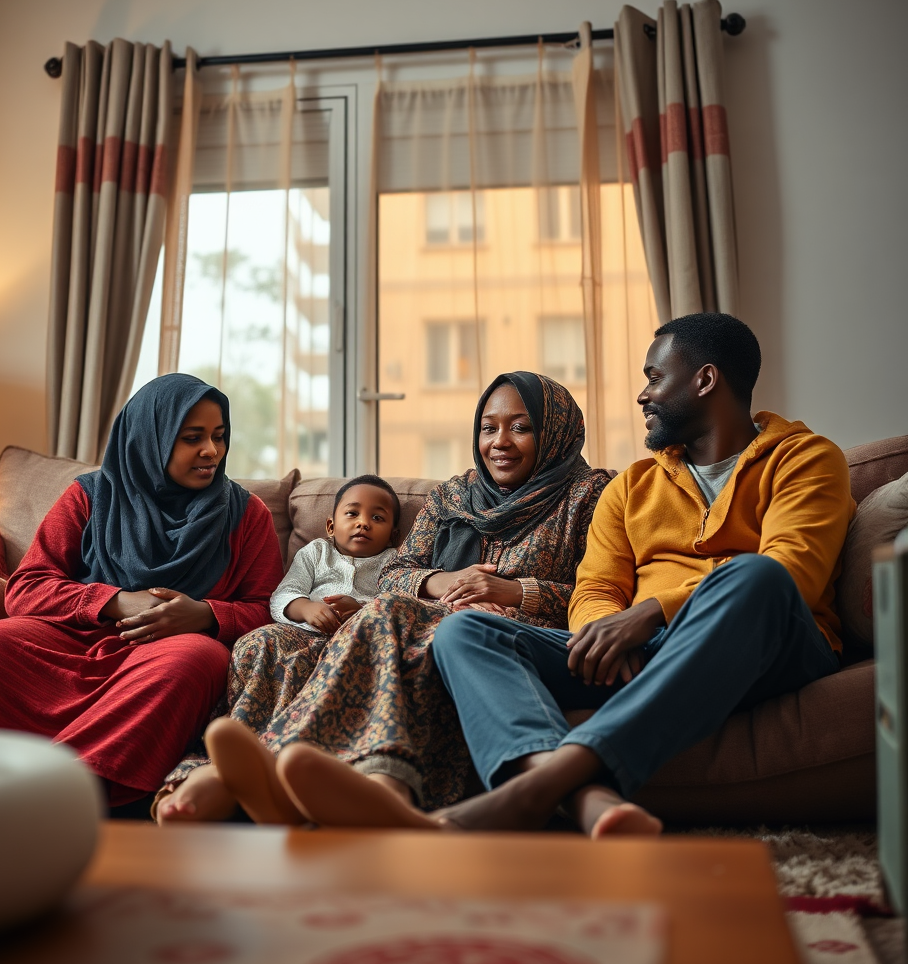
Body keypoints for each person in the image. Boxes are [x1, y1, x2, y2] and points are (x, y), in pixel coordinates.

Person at [281, 313, 855, 834]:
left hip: (771, 643)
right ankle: (587, 800)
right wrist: (606, 630)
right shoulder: (632, 487)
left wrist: (646, 614)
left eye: (655, 378)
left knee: (753, 575)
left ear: (704, 381)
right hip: (653, 647)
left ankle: (542, 785)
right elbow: (597, 587)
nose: (643, 393)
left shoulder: (804, 458)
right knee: (466, 631)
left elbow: (792, 568)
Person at [158, 371, 612, 825]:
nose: (500, 442)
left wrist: (513, 592)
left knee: (387, 614)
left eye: (522, 427)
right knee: (272, 642)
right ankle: (264, 780)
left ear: (555, 432)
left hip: (516, 634)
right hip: (434, 614)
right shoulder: (454, 495)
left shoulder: (589, 496)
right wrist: (448, 583)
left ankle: (283, 770)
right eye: (489, 427)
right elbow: (397, 572)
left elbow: (605, 592)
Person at [0, 373, 283, 808]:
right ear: (149, 438)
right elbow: (26, 588)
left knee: (196, 661)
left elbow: (270, 609)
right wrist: (114, 601)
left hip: (164, 650)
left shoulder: (247, 515)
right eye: (192, 438)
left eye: (219, 436)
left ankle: (69, 789)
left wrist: (206, 615)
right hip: (74, 637)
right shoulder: (91, 496)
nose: (212, 451)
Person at [155, 475, 401, 823]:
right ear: (331, 525)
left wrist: (360, 606)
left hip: (352, 644)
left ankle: (270, 766)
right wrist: (306, 608)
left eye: (378, 518)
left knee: (319, 663)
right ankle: (228, 755)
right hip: (299, 634)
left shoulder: (395, 562)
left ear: (392, 533)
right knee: (259, 641)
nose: (363, 522)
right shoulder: (316, 552)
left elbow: (399, 604)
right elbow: (283, 595)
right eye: (352, 513)